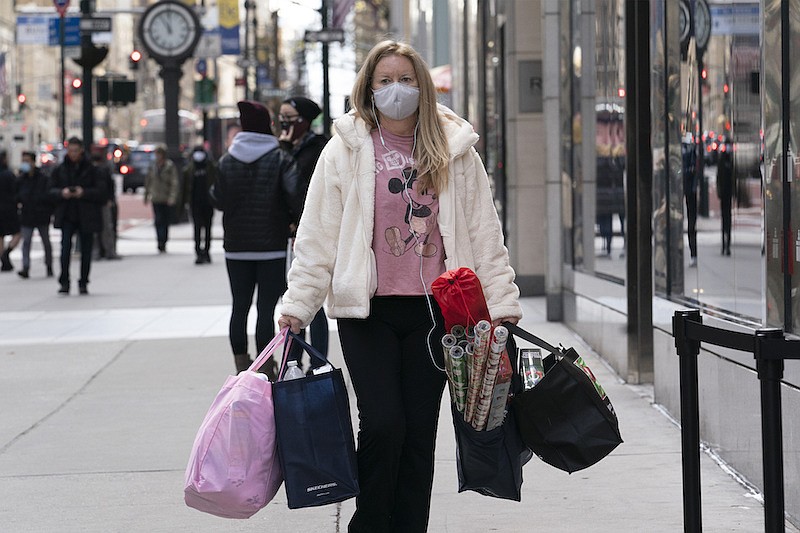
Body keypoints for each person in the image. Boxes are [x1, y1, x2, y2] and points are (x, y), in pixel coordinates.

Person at [278, 41, 522, 532]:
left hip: (437, 315)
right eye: (385, 80)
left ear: (423, 86)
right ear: (369, 87)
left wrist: (501, 302)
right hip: (367, 311)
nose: (396, 90)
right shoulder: (345, 149)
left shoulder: (454, 150)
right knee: (384, 425)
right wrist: (298, 304)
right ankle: (369, 524)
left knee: (418, 435)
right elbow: (318, 234)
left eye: (406, 80)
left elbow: (482, 230)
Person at [210, 100, 302, 375]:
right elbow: (295, 196)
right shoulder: (280, 158)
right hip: (271, 246)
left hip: (236, 247)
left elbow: (218, 198)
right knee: (265, 309)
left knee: (239, 307)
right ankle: (265, 366)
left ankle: (241, 364)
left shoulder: (227, 160)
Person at [278, 95, 331, 366]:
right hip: (290, 232)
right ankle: (292, 361)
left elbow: (303, 191)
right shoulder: (286, 148)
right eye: (282, 116)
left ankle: (318, 362)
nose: (284, 122)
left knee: (314, 301)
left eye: (290, 117)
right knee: (293, 299)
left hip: (310, 231)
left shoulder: (319, 148)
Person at [48, 137, 106, 294]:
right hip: (67, 214)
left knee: (86, 251)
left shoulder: (92, 170)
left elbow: (101, 192)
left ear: (81, 150)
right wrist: (62, 193)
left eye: (75, 150)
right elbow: (50, 191)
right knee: (65, 249)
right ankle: (64, 281)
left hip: (86, 215)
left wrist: (83, 192)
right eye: (70, 150)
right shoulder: (60, 170)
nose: (73, 154)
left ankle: (83, 281)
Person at [16, 151, 54, 278]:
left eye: (27, 161)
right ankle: (25, 267)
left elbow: (48, 195)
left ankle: (49, 265)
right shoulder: (21, 179)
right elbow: (17, 196)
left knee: (46, 242)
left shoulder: (43, 178)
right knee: (26, 242)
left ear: (33, 162)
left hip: (41, 214)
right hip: (27, 214)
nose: (25, 164)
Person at [183, 145, 218, 264]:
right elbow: (186, 187)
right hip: (195, 203)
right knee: (197, 228)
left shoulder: (211, 167)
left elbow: (217, 182)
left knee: (208, 228)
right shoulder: (189, 169)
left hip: (208, 203)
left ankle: (207, 251)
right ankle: (198, 252)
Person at [144, 145, 179, 253]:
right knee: (158, 220)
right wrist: (146, 195)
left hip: (165, 197)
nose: (157, 156)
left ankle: (163, 240)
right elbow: (148, 181)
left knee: (164, 220)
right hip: (155, 197)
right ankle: (160, 241)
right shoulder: (153, 166)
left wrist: (172, 197)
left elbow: (174, 182)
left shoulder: (169, 166)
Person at [91, 151, 120, 260]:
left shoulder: (96, 170)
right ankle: (108, 251)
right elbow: (111, 185)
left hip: (98, 202)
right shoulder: (104, 170)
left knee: (100, 228)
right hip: (101, 201)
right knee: (106, 228)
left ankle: (99, 252)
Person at [0, 150, 21, 272]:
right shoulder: (8, 174)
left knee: (0, 235)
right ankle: (6, 253)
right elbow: (15, 190)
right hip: (9, 208)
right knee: (17, 233)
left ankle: (4, 259)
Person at [682, 132, 698, 267]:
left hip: (688, 189)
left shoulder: (691, 153)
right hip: (686, 188)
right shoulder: (688, 152)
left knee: (691, 224)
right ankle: (692, 254)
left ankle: (693, 254)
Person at [716, 137, 734, 256]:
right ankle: (724, 244)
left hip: (728, 193)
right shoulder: (722, 159)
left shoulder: (731, 159)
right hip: (724, 193)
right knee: (725, 219)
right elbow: (719, 177)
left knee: (728, 219)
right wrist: (719, 191)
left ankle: (727, 244)